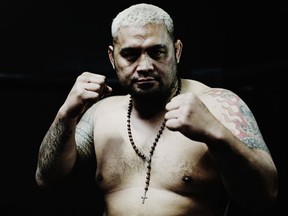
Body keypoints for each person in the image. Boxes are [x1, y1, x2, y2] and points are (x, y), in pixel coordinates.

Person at [35, 3, 278, 216]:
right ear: (112, 58)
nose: (144, 66)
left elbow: (265, 196)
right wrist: (66, 113)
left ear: (177, 50)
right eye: (130, 55)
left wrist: (215, 133)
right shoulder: (101, 115)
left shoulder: (218, 105)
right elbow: (47, 179)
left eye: (156, 52)